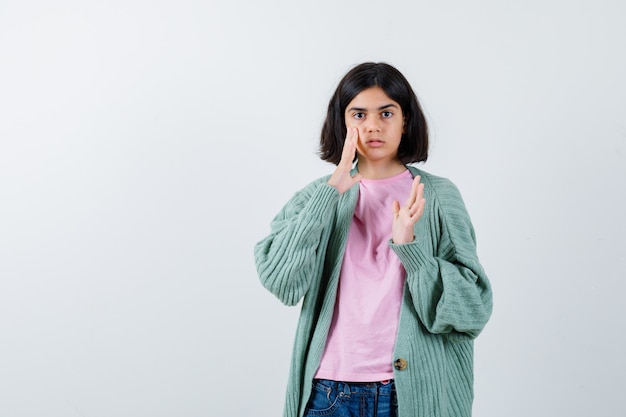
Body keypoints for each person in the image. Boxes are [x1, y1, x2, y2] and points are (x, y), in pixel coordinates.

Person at [254, 62, 492, 417]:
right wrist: (329, 194)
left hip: (411, 393)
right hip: (328, 393)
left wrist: (412, 253)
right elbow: (280, 281)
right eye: (359, 114)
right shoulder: (317, 197)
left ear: (405, 120)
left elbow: (473, 308)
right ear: (342, 121)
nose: (373, 126)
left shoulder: (438, 197)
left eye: (386, 112)